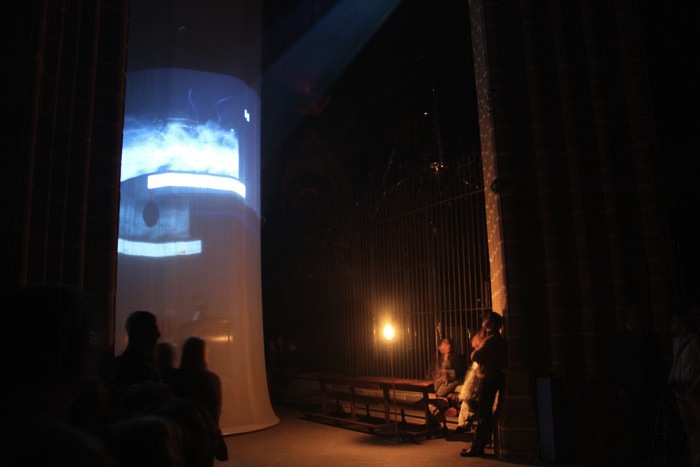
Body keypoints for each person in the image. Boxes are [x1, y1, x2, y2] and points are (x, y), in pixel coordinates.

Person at [609, 306, 666, 460]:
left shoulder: (649, 337)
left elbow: (657, 362)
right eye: (635, 317)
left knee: (648, 420)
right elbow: (615, 365)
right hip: (629, 388)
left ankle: (650, 453)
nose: (639, 321)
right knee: (631, 423)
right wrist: (619, 387)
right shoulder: (620, 339)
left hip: (647, 387)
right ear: (629, 319)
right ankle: (634, 454)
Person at [165, 336, 227, 464]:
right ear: (204, 354)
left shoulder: (173, 377)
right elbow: (216, 411)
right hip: (206, 437)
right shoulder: (212, 379)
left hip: (180, 438)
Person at [461, 310, 507, 457]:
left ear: (491, 324)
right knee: (481, 409)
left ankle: (477, 446)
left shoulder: (491, 340)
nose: (483, 321)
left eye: (486, 319)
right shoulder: (497, 339)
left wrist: (478, 348)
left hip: (488, 378)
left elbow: (475, 356)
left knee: (482, 412)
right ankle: (482, 440)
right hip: (493, 377)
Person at [668, 309, 700, 466]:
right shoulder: (676, 342)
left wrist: (695, 384)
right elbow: (676, 362)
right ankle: (694, 456)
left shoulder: (694, 342)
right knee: (689, 425)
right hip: (679, 387)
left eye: (676, 322)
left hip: (692, 388)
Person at [114, 310, 162, 389]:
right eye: (154, 329)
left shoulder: (116, 365)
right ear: (141, 333)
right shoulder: (146, 371)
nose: (159, 334)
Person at [427, 337, 466, 431]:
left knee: (437, 395)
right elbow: (432, 371)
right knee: (432, 395)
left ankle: (437, 416)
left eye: (447, 344)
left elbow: (458, 373)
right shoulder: (439, 357)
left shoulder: (455, 357)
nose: (445, 346)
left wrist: (446, 372)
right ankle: (437, 416)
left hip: (452, 381)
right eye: (443, 344)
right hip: (442, 381)